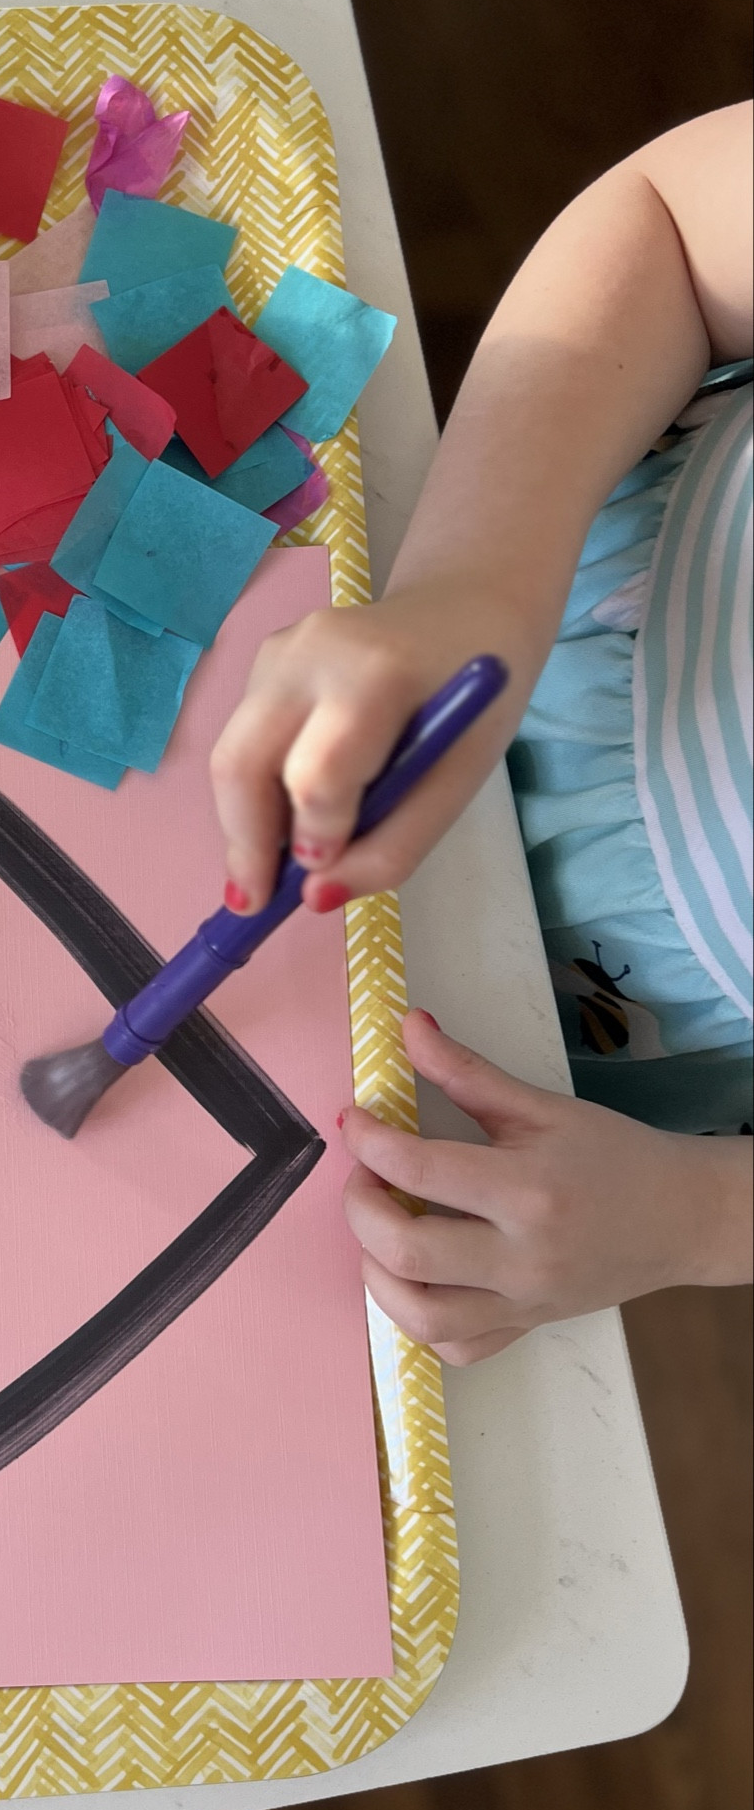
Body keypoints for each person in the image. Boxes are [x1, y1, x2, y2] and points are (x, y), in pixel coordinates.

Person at [210, 102, 753, 1364]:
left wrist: (699, 1218)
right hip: (488, 572)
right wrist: (474, 581)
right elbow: (673, 227)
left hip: (579, 1070)